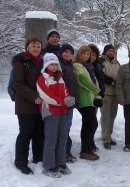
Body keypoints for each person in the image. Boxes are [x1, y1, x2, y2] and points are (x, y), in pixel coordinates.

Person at [37, 53, 75, 178]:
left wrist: (68, 98)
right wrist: (61, 101)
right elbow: (46, 95)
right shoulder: (42, 78)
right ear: (46, 65)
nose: (53, 66)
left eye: (55, 64)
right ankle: (49, 166)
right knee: (51, 139)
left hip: (63, 111)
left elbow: (65, 92)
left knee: (63, 137)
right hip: (51, 111)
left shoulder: (60, 77)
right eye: (51, 64)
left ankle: (61, 162)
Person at [12, 37, 45, 175]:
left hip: (41, 105)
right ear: (28, 48)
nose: (36, 49)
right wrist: (34, 96)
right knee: (26, 133)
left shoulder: (43, 61)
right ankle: (20, 162)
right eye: (34, 46)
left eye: (38, 46)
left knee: (39, 133)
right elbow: (18, 84)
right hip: (26, 104)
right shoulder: (21, 61)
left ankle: (38, 158)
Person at [73, 46, 102, 161]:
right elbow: (83, 81)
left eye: (88, 54)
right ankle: (85, 150)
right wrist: (98, 91)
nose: (86, 56)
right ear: (79, 54)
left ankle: (86, 148)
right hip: (84, 99)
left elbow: (96, 82)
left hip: (92, 99)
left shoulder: (89, 67)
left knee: (87, 124)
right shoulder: (77, 66)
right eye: (83, 54)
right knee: (92, 124)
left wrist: (98, 95)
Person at [57, 44, 78, 163]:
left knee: (67, 127)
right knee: (63, 128)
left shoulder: (70, 65)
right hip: (63, 102)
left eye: (70, 52)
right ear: (61, 52)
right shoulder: (59, 64)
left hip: (70, 101)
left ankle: (65, 151)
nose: (68, 54)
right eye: (66, 52)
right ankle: (62, 152)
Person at [98, 44, 120, 149]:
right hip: (106, 92)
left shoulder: (116, 62)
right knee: (106, 116)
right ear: (105, 51)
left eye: (112, 51)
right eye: (109, 51)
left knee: (112, 116)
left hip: (115, 93)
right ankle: (105, 138)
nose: (111, 52)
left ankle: (109, 136)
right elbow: (100, 74)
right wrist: (111, 81)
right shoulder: (101, 61)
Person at [88, 43, 105, 152]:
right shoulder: (83, 65)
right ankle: (87, 142)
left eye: (95, 55)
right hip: (86, 97)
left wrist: (100, 94)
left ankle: (91, 140)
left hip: (96, 97)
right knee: (89, 121)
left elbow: (101, 81)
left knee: (93, 120)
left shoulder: (98, 66)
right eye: (91, 54)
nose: (93, 57)